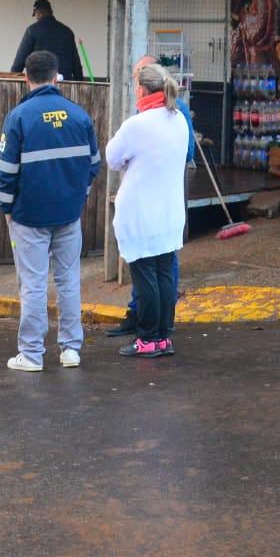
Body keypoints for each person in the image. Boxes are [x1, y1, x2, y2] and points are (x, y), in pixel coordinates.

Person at [0, 50, 101, 372]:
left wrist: (7, 208)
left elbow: (6, 171)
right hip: (69, 215)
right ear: (57, 76)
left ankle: (31, 355)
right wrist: (77, 196)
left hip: (29, 217)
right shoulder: (79, 115)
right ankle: (71, 350)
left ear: (25, 76)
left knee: (33, 284)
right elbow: (93, 166)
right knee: (69, 280)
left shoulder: (19, 117)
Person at [105, 62, 190, 359]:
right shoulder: (178, 119)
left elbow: (112, 158)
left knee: (145, 278)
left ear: (141, 89)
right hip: (169, 212)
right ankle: (164, 336)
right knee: (165, 273)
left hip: (140, 213)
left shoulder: (136, 125)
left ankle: (148, 339)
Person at [11, 0, 84, 82]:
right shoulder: (67, 32)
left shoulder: (32, 30)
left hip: (40, 83)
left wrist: (12, 78)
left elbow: (20, 61)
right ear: (50, 12)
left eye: (35, 15)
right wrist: (80, 82)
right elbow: (76, 64)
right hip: (65, 84)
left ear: (38, 12)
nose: (36, 18)